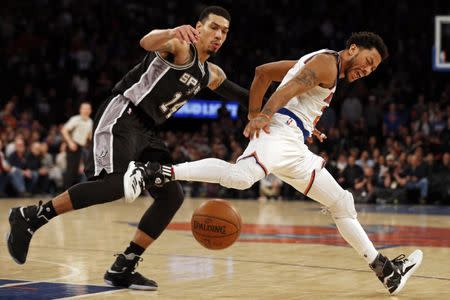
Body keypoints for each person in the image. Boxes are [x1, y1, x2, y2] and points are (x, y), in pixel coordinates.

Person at [142, 32, 423, 295]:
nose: (367, 70)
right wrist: (263, 115)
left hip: (293, 143)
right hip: (280, 134)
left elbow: (263, 73)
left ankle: (387, 272)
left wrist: (289, 119)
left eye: (372, 70)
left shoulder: (320, 61)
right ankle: (158, 171)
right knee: (242, 177)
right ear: (352, 49)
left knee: (341, 203)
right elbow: (288, 88)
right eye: (368, 62)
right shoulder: (327, 63)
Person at [7, 6, 251, 291]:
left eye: (225, 31)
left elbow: (244, 96)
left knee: (171, 195)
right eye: (214, 27)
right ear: (199, 26)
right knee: (115, 184)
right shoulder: (180, 45)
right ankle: (31, 216)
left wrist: (269, 111)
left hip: (148, 131)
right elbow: (147, 42)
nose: (219, 35)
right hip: (123, 113)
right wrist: (172, 31)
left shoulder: (212, 73)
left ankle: (124, 265)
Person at [61, 102, 93, 189]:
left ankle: (70, 192)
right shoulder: (75, 119)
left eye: (88, 109)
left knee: (76, 171)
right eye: (84, 108)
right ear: (80, 110)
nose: (86, 110)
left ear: (90, 111)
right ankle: (64, 191)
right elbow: (64, 130)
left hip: (81, 147)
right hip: (72, 145)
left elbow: (89, 136)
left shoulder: (90, 122)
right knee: (70, 170)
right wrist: (70, 142)